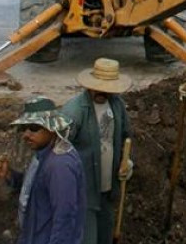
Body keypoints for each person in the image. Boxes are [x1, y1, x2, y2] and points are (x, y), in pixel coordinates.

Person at [0, 96, 86, 244]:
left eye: (34, 128)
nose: (26, 134)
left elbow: (65, 219)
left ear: (52, 127)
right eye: (24, 128)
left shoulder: (60, 165)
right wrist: (9, 175)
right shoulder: (42, 154)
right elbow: (36, 188)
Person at [61, 58, 134, 244]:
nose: (102, 92)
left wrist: (126, 162)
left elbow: (125, 136)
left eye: (108, 88)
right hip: (84, 191)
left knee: (105, 237)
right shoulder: (75, 111)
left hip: (107, 190)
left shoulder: (117, 106)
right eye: (99, 87)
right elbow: (59, 150)